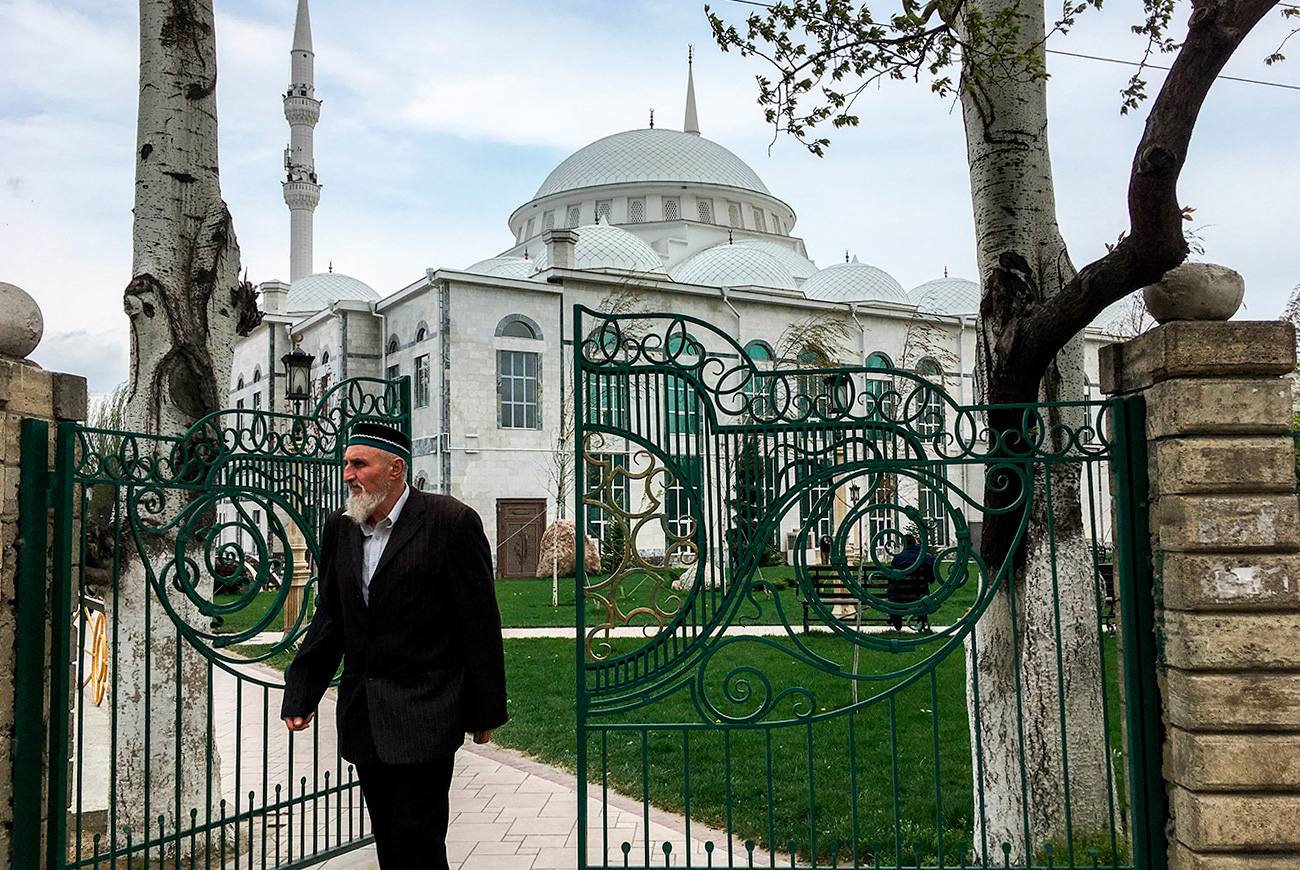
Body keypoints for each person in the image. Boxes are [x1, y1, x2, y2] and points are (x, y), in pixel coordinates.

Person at [280, 420, 507, 870]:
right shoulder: (340, 529)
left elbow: (479, 625)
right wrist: (302, 689)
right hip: (365, 716)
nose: (348, 474)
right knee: (388, 842)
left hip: (427, 713)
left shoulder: (450, 522)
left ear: (394, 469)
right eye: (346, 463)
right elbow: (332, 617)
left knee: (417, 845)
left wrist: (486, 710)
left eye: (359, 464)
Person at [887, 533, 934, 631]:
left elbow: (892, 577)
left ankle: (897, 620)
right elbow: (932, 579)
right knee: (924, 595)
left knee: (895, 591)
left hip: (898, 596)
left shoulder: (898, 558)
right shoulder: (927, 557)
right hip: (920, 595)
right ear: (916, 542)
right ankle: (921, 621)